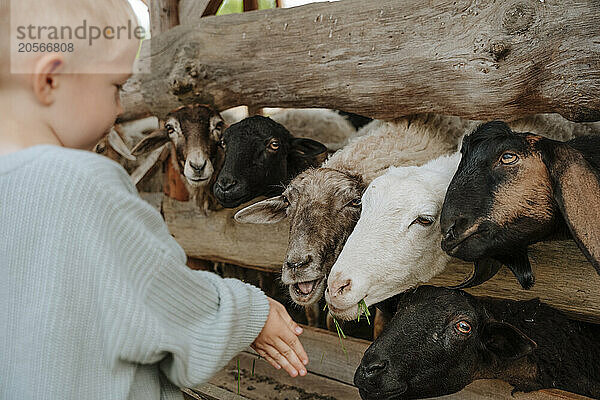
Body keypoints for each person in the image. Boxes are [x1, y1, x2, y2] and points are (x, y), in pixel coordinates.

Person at [0, 1, 308, 399]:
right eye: (116, 88)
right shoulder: (85, 183)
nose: (120, 109)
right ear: (49, 81)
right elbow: (164, 295)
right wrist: (251, 313)